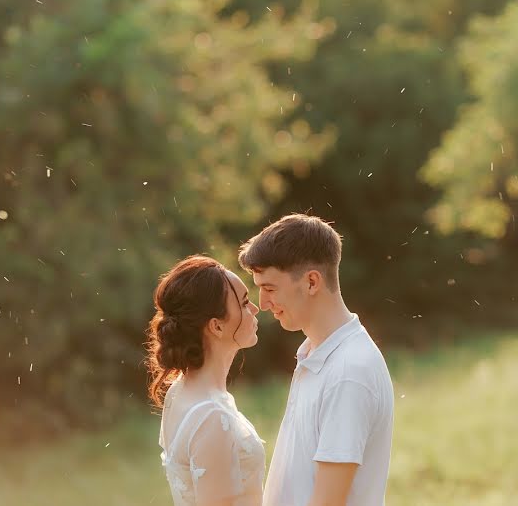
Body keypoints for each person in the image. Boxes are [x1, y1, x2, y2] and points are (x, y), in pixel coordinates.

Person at [238, 214, 394, 506]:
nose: (263, 303)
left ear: (311, 282)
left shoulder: (350, 370)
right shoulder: (316, 353)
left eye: (270, 288)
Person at [146, 254, 265, 506]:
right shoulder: (212, 417)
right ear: (217, 326)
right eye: (244, 303)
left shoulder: (179, 391)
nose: (255, 308)